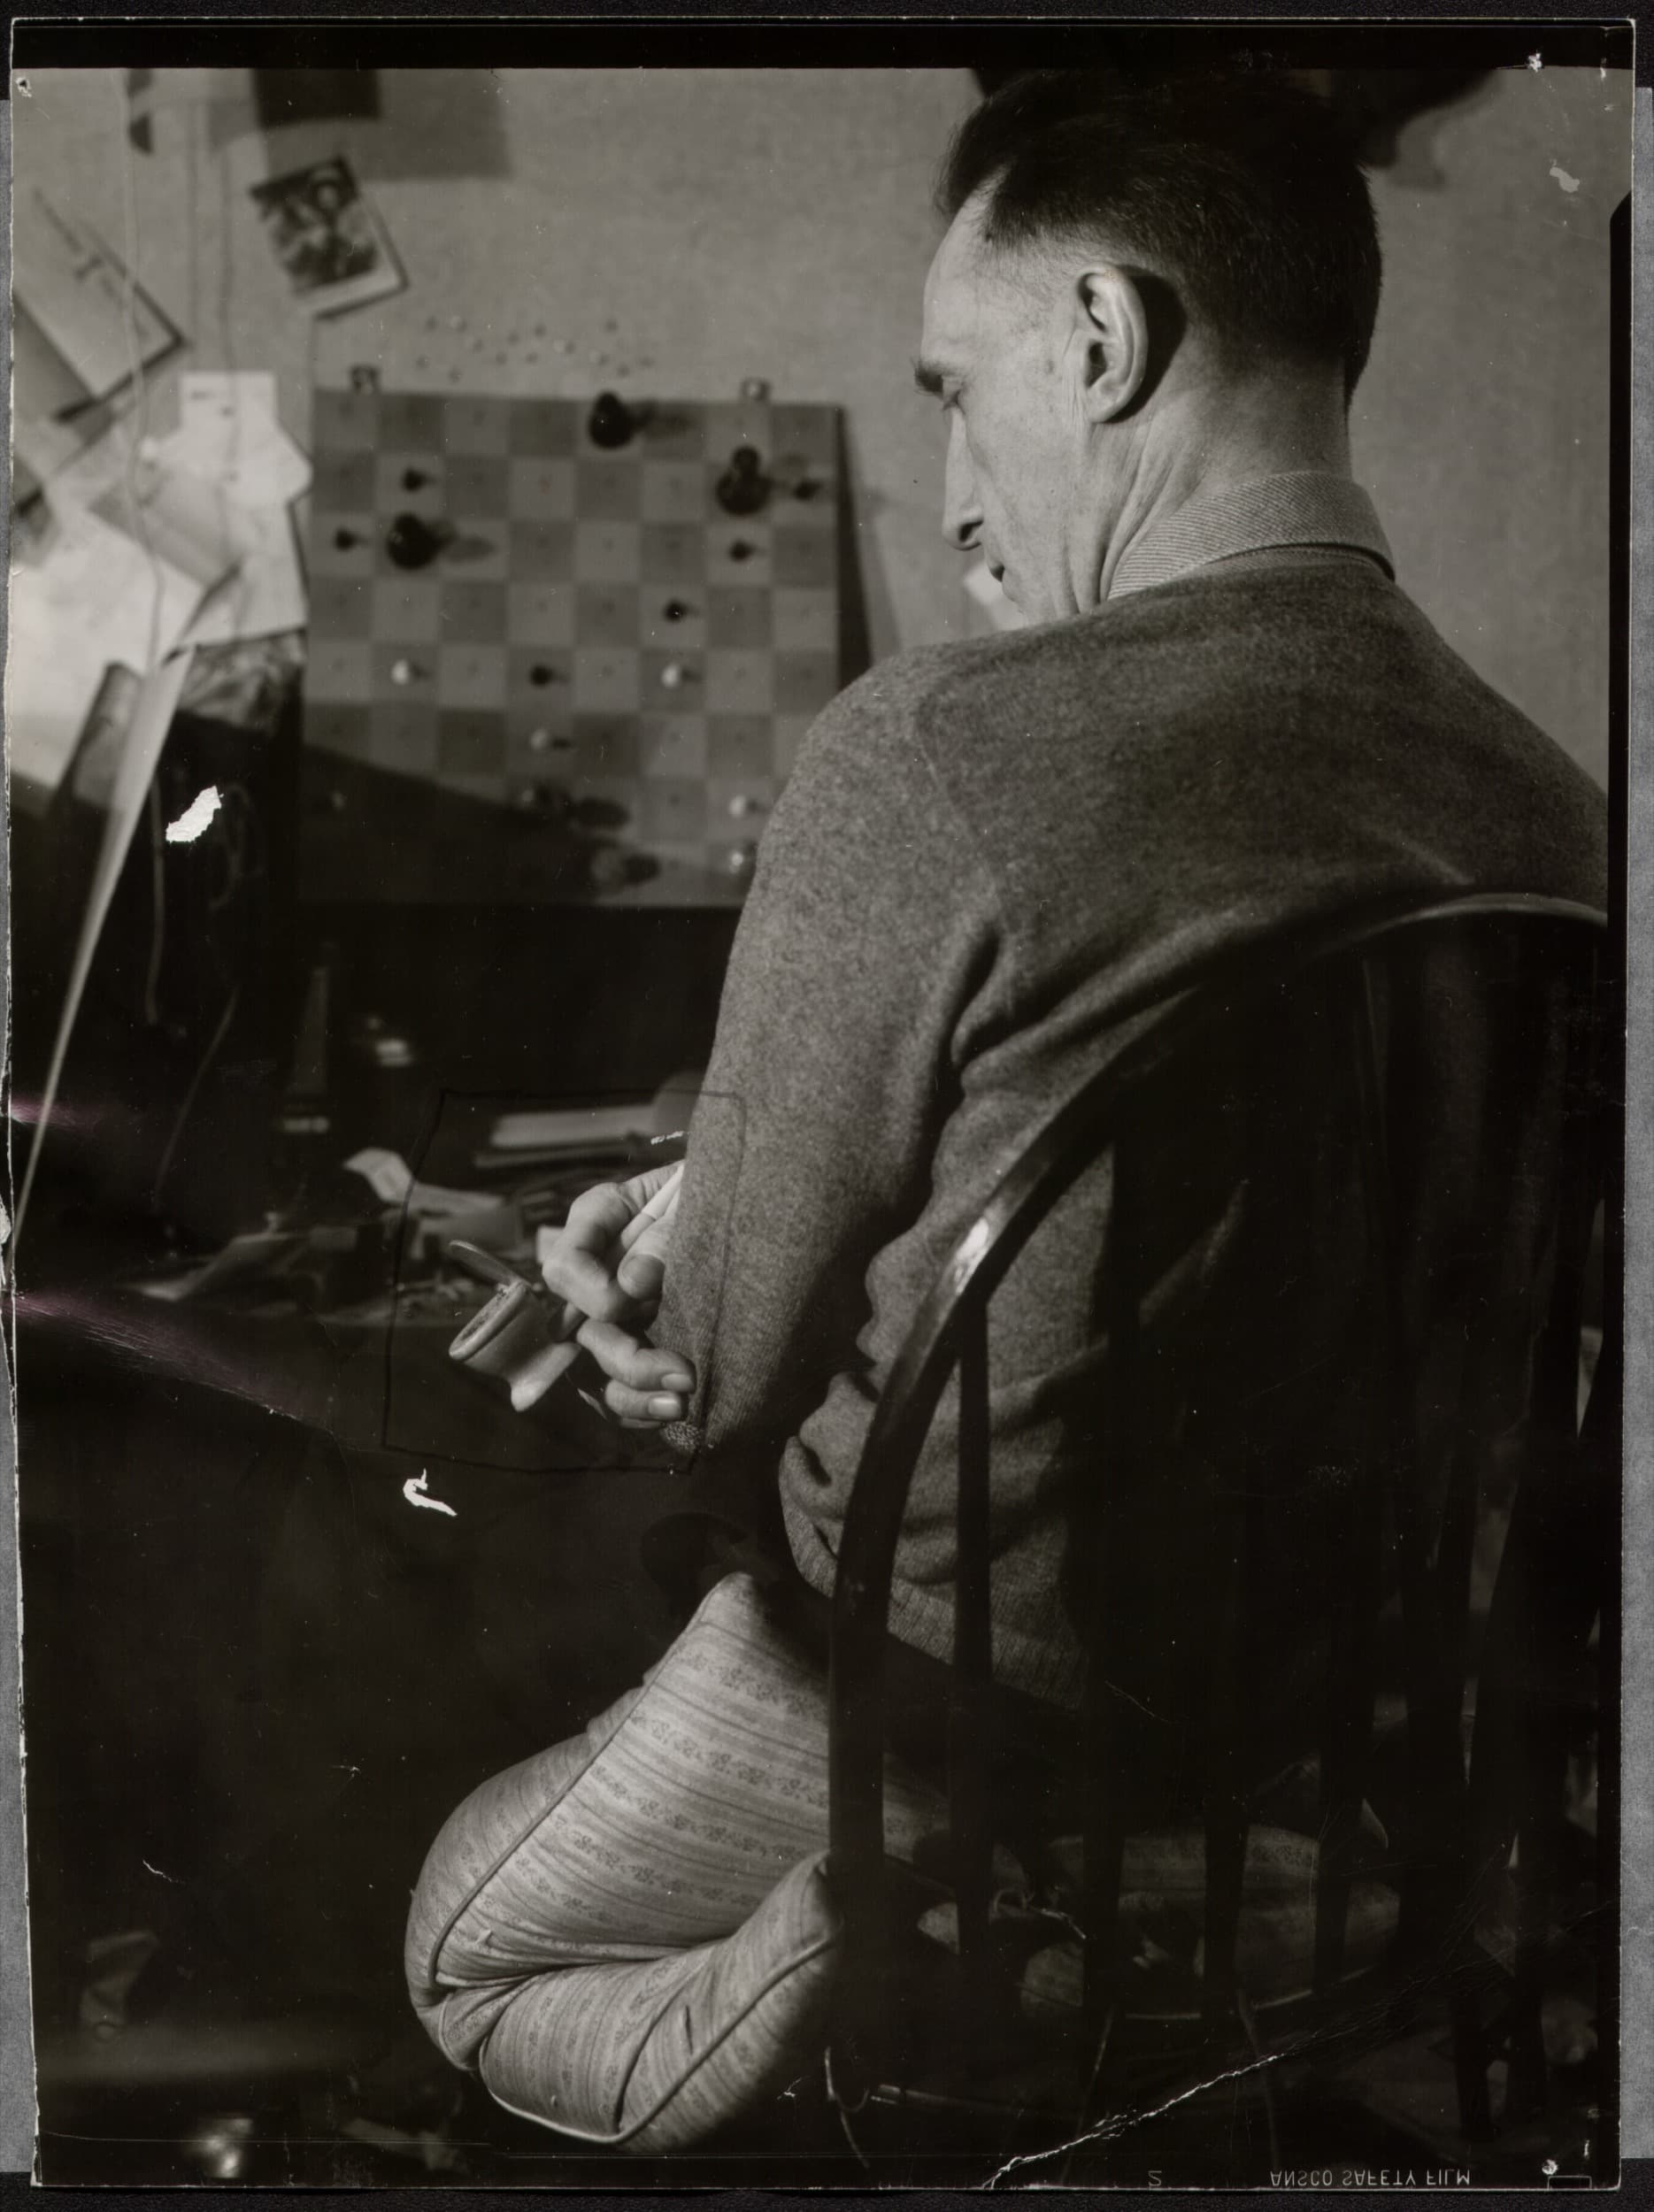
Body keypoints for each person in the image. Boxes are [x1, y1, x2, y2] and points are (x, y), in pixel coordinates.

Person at [407, 70, 1607, 2144]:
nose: (953, 491)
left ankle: (915, 1936)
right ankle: (1140, 1932)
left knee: (463, 1943)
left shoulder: (933, 751)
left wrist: (675, 1277)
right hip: (1324, 1746)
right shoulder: (1558, 825)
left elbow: (714, 1377)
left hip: (940, 1712)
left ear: (1100, 340)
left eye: (958, 391)